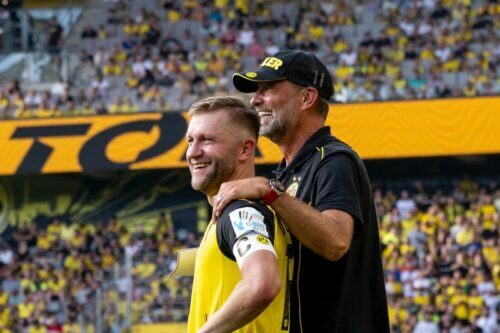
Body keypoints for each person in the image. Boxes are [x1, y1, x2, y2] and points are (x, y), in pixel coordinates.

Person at [213, 50, 390, 332]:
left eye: (268, 88)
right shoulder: (288, 170)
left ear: (307, 97)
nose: (255, 99)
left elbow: (336, 241)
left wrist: (269, 193)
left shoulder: (333, 160)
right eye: (256, 90)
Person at [185, 96, 294, 333]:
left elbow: (263, 284)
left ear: (245, 149)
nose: (193, 152)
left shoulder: (240, 211)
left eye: (207, 140)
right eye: (190, 140)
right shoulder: (251, 209)